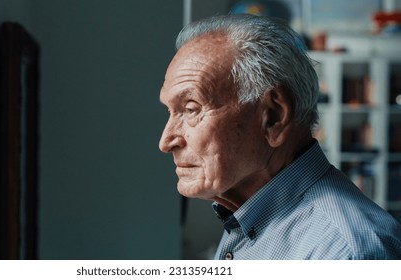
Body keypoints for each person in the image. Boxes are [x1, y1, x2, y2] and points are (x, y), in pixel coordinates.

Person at [158, 14, 401, 260]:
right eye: (170, 111)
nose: (166, 141)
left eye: (190, 109)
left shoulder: (345, 253)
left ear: (273, 117)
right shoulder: (245, 212)